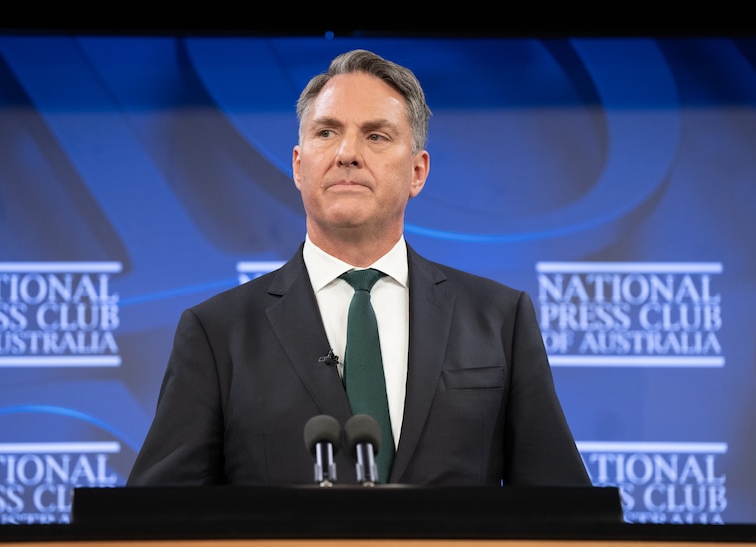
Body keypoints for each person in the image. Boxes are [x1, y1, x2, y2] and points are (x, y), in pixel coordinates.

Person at [127, 49, 590, 487]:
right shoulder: (217, 333)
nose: (347, 153)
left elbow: (567, 516)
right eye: (326, 133)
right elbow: (154, 524)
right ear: (298, 165)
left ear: (417, 172)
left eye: (376, 135)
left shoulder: (500, 319)